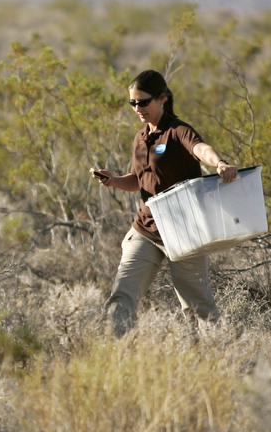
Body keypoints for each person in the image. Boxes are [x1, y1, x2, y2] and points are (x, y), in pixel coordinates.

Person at [93, 70, 238, 337]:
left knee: (197, 307)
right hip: (145, 230)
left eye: (143, 102)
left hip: (184, 232)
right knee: (122, 296)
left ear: (162, 98)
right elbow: (138, 180)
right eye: (132, 103)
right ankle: (113, 351)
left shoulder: (177, 131)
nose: (137, 108)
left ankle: (219, 352)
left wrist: (219, 163)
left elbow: (200, 148)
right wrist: (114, 180)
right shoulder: (140, 138)